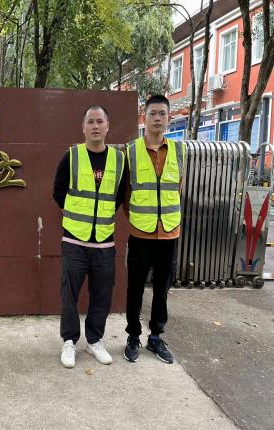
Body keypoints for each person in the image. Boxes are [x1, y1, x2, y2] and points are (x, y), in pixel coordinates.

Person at [53, 105, 125, 369]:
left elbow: (119, 196)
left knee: (102, 294)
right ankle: (69, 341)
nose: (95, 126)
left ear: (107, 126)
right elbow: (58, 192)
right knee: (69, 294)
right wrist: (76, 217)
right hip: (74, 240)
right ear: (83, 127)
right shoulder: (71, 156)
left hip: (104, 241)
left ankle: (94, 340)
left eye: (100, 121)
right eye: (91, 122)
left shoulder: (119, 160)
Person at [123, 94, 185, 364]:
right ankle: (133, 336)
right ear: (144, 117)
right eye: (152, 113)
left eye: (162, 113)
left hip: (169, 232)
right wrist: (139, 218)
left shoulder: (180, 151)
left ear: (169, 118)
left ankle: (156, 337)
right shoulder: (131, 151)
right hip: (140, 233)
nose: (157, 118)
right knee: (135, 288)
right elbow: (126, 194)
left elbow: (178, 189)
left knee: (162, 288)